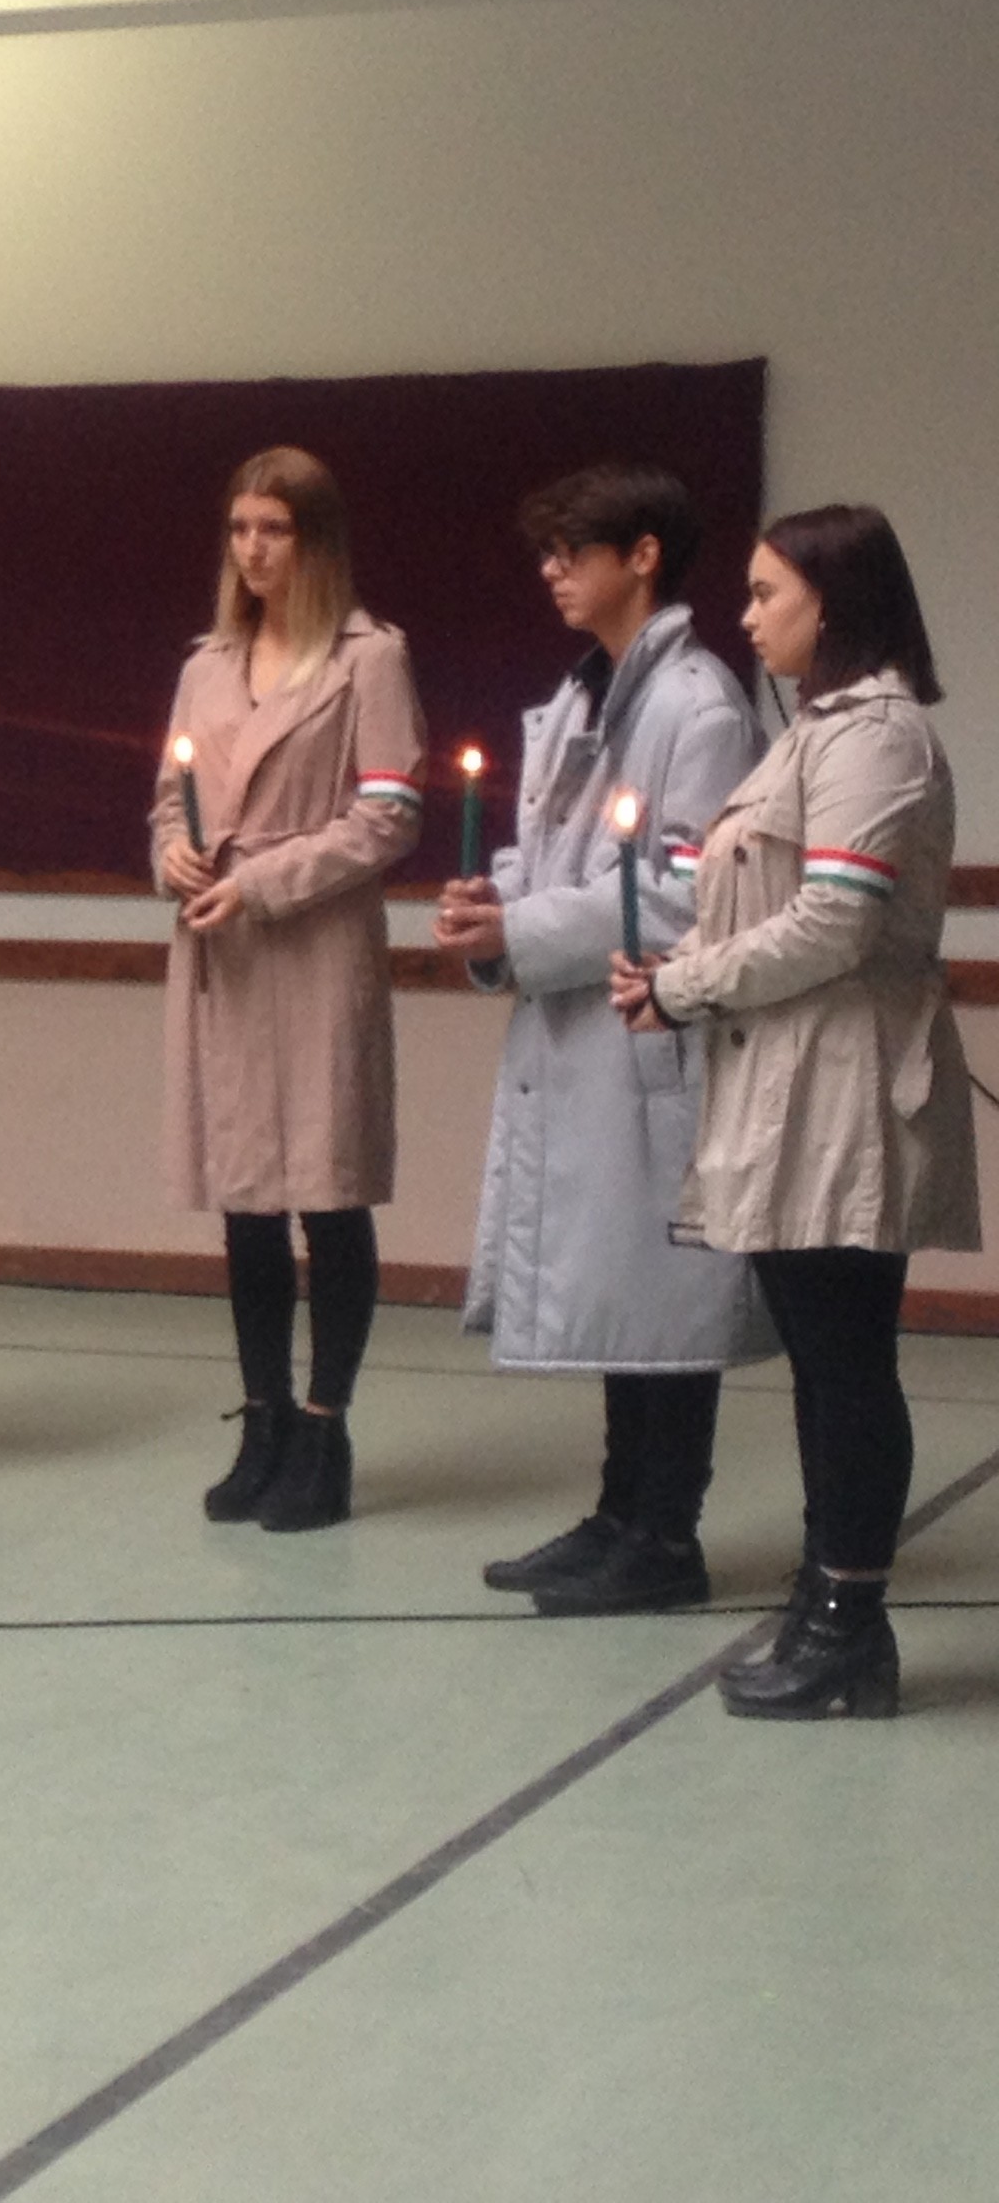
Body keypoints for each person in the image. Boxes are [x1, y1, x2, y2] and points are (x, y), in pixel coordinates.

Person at [612, 504, 978, 1719]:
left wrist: (686, 987)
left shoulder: (877, 737)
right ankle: (829, 1606)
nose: (748, 613)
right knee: (824, 1366)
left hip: (848, 1089)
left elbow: (833, 923)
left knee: (847, 1361)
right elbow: (753, 899)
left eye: (769, 592)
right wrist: (672, 964)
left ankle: (851, 1628)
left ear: (836, 601)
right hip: (789, 1082)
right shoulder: (808, 736)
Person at [436, 466, 775, 1613]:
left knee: (663, 1296)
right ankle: (618, 1513)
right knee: (621, 1294)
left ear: (642, 555)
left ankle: (666, 1535)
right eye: (545, 553)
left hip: (653, 1036)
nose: (551, 572)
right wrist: (494, 907)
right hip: (583, 1030)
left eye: (571, 551)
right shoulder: (582, 697)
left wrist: (525, 928)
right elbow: (553, 861)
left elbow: (683, 894)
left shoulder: (700, 705)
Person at [152, 446, 425, 1533]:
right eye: (239, 529)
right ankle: (262, 1417)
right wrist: (173, 852)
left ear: (315, 541)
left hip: (312, 943)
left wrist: (263, 882)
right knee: (246, 1200)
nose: (252, 549)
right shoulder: (209, 663)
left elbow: (389, 817)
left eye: (273, 529)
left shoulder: (370, 658)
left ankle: (324, 1426)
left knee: (327, 1188)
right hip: (219, 949)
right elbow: (170, 795)